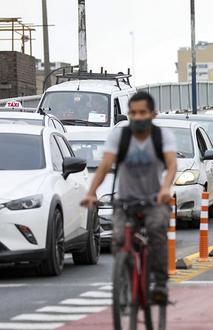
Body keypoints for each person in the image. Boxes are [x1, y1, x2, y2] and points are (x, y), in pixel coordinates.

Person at [81, 92, 177, 303]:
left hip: (154, 200)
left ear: (153, 114)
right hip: (125, 201)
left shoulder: (162, 137)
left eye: (142, 112)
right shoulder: (120, 136)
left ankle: (159, 283)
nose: (137, 117)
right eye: (133, 113)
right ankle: (127, 272)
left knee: (158, 233)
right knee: (118, 240)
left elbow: (171, 165)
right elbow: (105, 165)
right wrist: (91, 192)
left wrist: (165, 189)